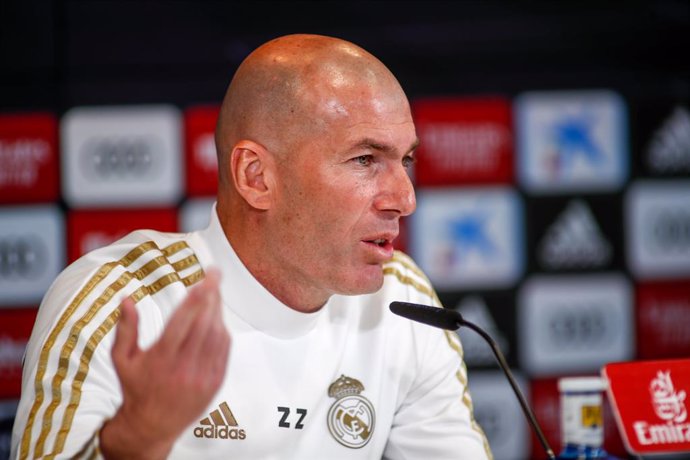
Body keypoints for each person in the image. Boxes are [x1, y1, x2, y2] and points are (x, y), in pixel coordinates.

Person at [11, 34, 492, 459]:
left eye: (405, 159)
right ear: (256, 177)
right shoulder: (121, 304)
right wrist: (131, 445)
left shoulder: (401, 299)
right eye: (365, 159)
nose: (405, 200)